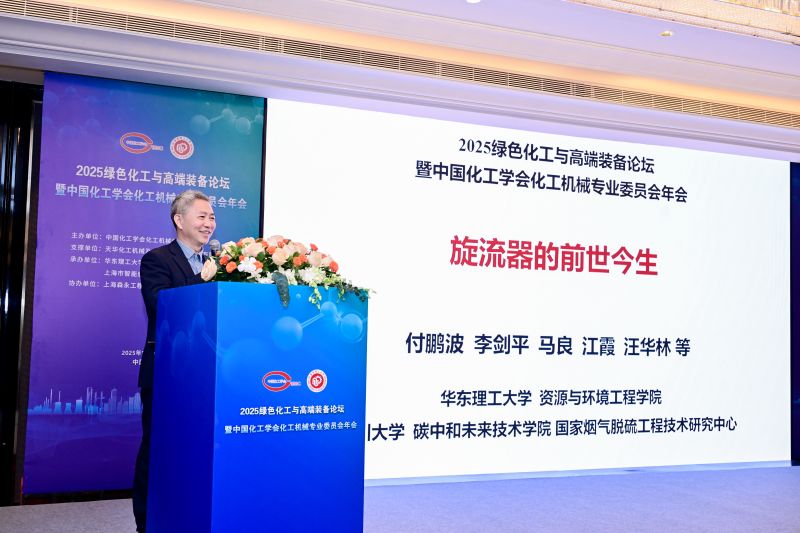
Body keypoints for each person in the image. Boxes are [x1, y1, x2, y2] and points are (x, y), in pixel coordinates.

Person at [132, 190, 216, 532]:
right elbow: (161, 305)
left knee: (196, 451)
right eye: (202, 216)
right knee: (157, 450)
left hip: (205, 376)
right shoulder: (157, 260)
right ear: (179, 220)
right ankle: (147, 522)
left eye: (212, 217)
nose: (209, 224)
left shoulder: (217, 264)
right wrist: (203, 280)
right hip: (166, 374)